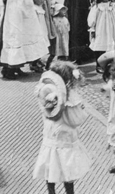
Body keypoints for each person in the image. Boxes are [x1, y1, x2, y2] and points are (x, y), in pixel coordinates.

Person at [33, 61, 91, 194]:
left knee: (50, 165)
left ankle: (51, 192)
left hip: (50, 135)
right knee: (68, 169)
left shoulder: (46, 91)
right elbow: (76, 120)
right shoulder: (70, 97)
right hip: (66, 137)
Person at [88, 0, 115, 73]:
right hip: (100, 29)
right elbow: (92, 19)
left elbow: (114, 16)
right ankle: (98, 65)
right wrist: (92, 28)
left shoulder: (111, 5)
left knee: (110, 45)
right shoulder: (97, 7)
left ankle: (108, 64)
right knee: (99, 46)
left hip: (110, 28)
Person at [30, 0, 53, 73]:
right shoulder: (34, 8)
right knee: (36, 46)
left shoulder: (41, 8)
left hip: (42, 29)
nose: (42, 0)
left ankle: (37, 62)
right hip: (36, 29)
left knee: (42, 45)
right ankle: (34, 63)